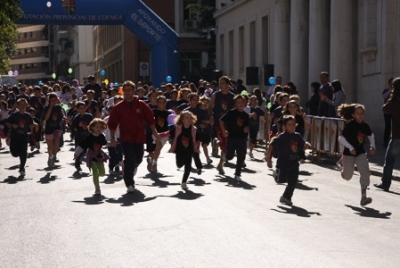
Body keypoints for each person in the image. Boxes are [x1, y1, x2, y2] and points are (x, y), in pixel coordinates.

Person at [108, 80, 160, 193]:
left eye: (129, 90)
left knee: (138, 158)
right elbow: (112, 123)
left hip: (139, 137)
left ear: (133, 91)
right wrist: (112, 138)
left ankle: (132, 166)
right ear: (123, 92)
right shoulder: (118, 107)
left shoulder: (141, 105)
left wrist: (155, 133)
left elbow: (150, 118)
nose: (127, 93)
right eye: (125, 90)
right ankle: (129, 183)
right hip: (126, 138)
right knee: (129, 158)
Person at [264, 115, 311, 206]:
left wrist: (306, 145)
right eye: (289, 124)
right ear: (284, 127)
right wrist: (268, 156)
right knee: (282, 179)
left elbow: (302, 145)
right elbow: (272, 145)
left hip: (294, 162)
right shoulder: (282, 137)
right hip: (283, 163)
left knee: (293, 181)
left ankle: (286, 197)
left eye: (293, 124)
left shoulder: (297, 136)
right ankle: (276, 174)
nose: (292, 126)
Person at [337, 103, 375, 206]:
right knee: (347, 177)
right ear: (353, 115)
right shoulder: (350, 125)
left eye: (362, 113)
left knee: (365, 172)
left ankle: (363, 197)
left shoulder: (365, 126)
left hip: (360, 153)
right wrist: (350, 147)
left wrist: (373, 146)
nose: (360, 115)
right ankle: (342, 165)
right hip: (349, 154)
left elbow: (370, 135)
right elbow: (340, 138)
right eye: (357, 113)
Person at [376, 77, 400, 192]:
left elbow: (385, 109)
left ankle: (385, 184)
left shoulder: (394, 101)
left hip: (397, 136)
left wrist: (391, 96)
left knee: (389, 161)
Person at [74, 118, 109, 195]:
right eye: (97, 127)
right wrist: (77, 153)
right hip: (91, 155)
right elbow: (82, 145)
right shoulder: (88, 137)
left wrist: (112, 143)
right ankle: (97, 189)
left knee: (102, 173)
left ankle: (96, 175)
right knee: (95, 173)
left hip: (99, 155)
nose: (99, 129)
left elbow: (105, 143)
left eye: (100, 127)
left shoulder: (101, 136)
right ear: (92, 127)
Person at [168, 110, 202, 190]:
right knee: (179, 164)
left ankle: (184, 182)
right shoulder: (177, 128)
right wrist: (158, 136)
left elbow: (198, 138)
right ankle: (180, 165)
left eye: (190, 118)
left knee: (188, 167)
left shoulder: (194, 129)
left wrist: (196, 145)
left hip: (189, 151)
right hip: (179, 151)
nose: (189, 119)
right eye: (186, 118)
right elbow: (169, 134)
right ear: (182, 120)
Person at [208, 76, 235, 175]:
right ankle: (217, 141)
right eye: (219, 83)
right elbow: (209, 107)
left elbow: (235, 109)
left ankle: (220, 164)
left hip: (228, 123)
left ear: (228, 84)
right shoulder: (216, 95)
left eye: (222, 83)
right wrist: (210, 116)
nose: (220, 85)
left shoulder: (232, 96)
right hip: (218, 122)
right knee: (225, 142)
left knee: (226, 144)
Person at [220, 94, 250, 181]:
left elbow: (247, 126)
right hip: (232, 137)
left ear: (245, 103)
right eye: (238, 102)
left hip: (242, 138)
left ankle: (237, 174)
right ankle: (225, 156)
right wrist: (223, 130)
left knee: (241, 156)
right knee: (230, 156)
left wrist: (247, 129)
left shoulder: (246, 115)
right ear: (235, 104)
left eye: (242, 102)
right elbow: (221, 120)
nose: (240, 104)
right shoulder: (231, 113)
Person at [5, 98, 39, 176]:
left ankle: (22, 168)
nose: (22, 106)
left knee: (24, 152)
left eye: (24, 104)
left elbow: (31, 122)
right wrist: (12, 125)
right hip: (14, 136)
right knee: (14, 153)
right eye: (20, 104)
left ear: (26, 105)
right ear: (17, 105)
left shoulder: (28, 115)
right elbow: (7, 122)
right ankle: (20, 155)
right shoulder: (14, 115)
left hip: (24, 136)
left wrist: (35, 125)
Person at [149, 95, 171, 173]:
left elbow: (172, 124)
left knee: (158, 149)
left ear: (166, 103)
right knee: (158, 145)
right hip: (155, 132)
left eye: (163, 102)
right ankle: (155, 163)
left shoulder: (169, 113)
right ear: (157, 103)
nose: (162, 104)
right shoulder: (153, 112)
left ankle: (152, 160)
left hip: (165, 134)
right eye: (160, 102)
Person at [42, 93, 65, 167]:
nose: (53, 102)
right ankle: (50, 157)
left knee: (57, 139)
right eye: (52, 100)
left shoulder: (58, 107)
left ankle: (54, 155)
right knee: (50, 146)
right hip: (49, 128)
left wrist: (64, 118)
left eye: (55, 100)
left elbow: (62, 115)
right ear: (49, 100)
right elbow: (46, 118)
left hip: (57, 127)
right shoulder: (46, 108)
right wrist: (50, 108)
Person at [71, 101, 94, 172]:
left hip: (88, 136)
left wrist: (90, 128)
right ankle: (77, 163)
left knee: (87, 150)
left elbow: (94, 124)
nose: (82, 109)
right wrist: (78, 126)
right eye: (80, 108)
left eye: (84, 108)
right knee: (78, 151)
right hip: (79, 137)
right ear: (77, 109)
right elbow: (73, 128)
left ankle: (91, 164)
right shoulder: (76, 117)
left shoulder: (89, 116)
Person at [382, 78, 393, 147]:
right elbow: (384, 96)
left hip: (395, 111)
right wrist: (390, 90)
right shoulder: (386, 91)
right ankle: (386, 142)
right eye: (391, 83)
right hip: (387, 111)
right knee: (388, 125)